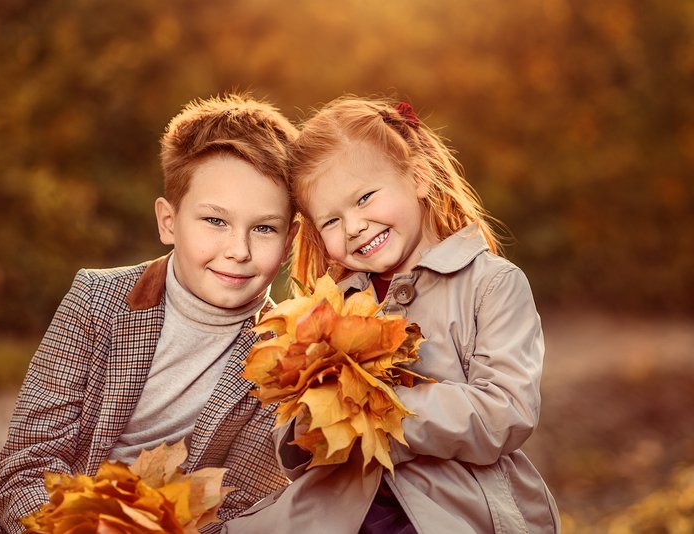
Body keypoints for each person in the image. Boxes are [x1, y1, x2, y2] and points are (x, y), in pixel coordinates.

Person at [0, 93, 300, 534]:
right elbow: (29, 458)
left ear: (289, 240)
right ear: (169, 222)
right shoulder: (97, 300)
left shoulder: (284, 356)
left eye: (263, 228)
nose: (238, 250)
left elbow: (239, 503)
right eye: (215, 221)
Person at [223, 96, 560, 533]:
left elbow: (506, 411)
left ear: (418, 178)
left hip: (448, 502)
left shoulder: (490, 284)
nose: (354, 227)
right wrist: (309, 423)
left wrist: (380, 411)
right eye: (331, 221)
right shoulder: (330, 306)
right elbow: (296, 437)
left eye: (364, 198)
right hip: (346, 502)